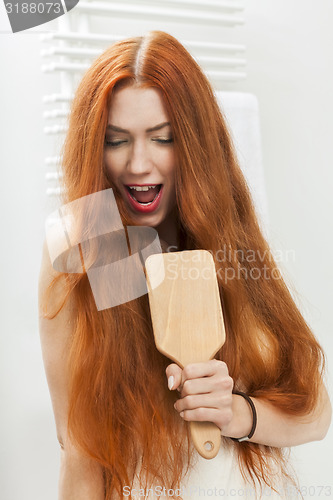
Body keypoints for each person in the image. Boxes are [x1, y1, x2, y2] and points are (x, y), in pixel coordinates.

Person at [38, 30, 331, 500]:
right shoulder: (83, 245)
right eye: (116, 141)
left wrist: (235, 412)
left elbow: (316, 414)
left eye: (162, 138)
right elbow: (79, 449)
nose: (138, 164)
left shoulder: (227, 238)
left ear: (194, 142)